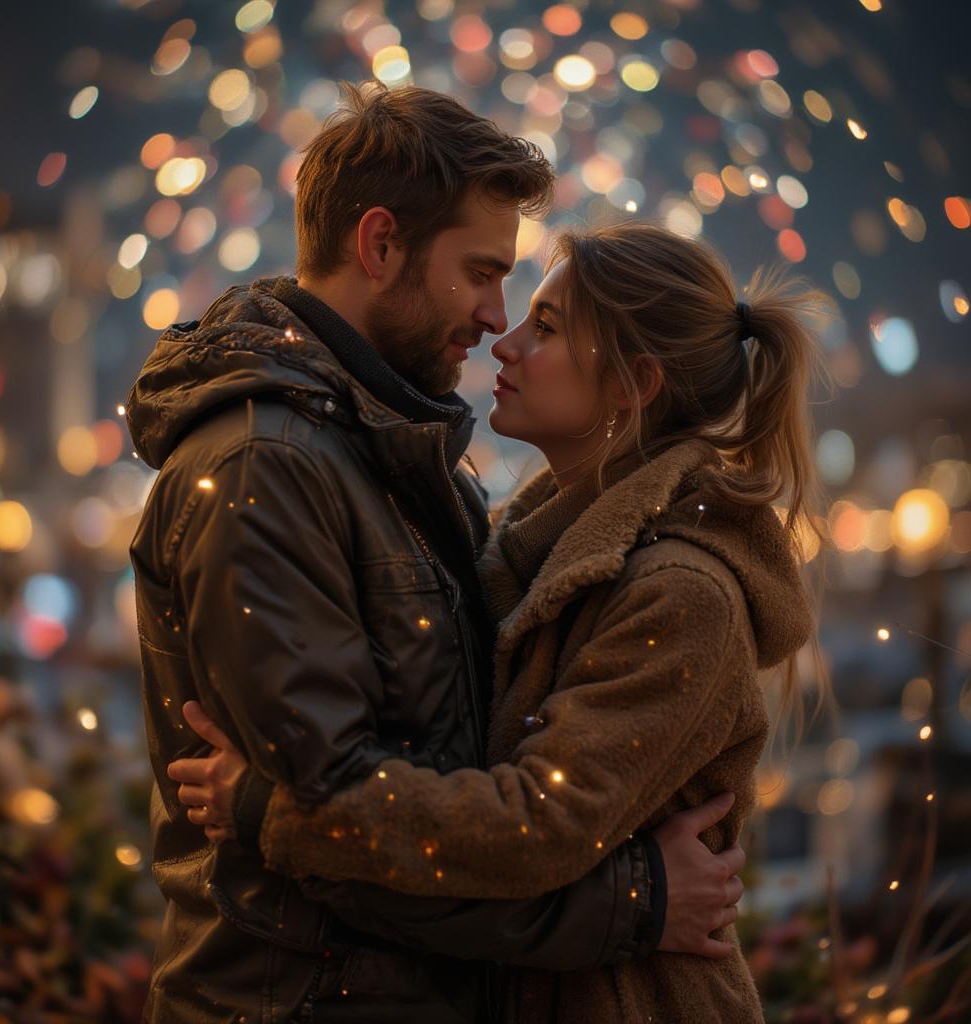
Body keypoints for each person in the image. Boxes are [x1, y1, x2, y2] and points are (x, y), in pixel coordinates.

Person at [128, 81, 746, 1024]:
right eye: (481, 273)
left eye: (532, 307)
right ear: (380, 245)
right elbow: (343, 842)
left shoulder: (408, 468)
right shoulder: (268, 470)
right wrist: (636, 901)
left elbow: (451, 799)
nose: (496, 319)